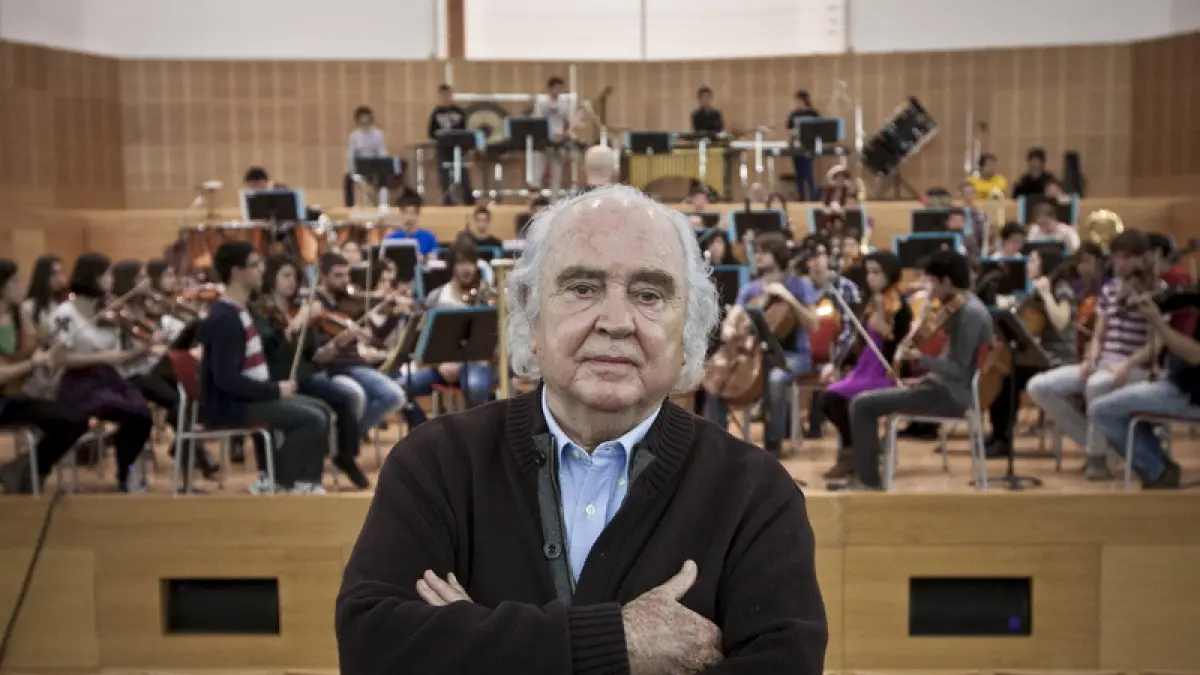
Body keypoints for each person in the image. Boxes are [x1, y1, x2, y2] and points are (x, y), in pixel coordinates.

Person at [336, 184, 827, 675]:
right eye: (582, 289)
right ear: (531, 311)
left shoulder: (757, 494)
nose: (615, 321)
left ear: (689, 327)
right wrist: (617, 643)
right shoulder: (435, 464)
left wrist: (478, 644)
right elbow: (372, 650)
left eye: (649, 295)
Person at [845, 250, 992, 491]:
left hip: (952, 396)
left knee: (862, 404)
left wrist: (920, 359)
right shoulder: (962, 307)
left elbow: (957, 369)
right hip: (942, 387)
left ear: (946, 281)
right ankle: (866, 475)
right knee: (865, 401)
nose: (927, 287)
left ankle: (868, 481)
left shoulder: (969, 314)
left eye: (931, 281)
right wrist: (925, 379)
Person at [197, 242, 331, 494]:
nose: (261, 270)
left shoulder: (242, 310)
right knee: (311, 419)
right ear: (236, 272)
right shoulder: (224, 318)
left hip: (248, 397)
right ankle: (278, 478)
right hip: (230, 404)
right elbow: (226, 379)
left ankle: (304, 481)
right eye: (254, 264)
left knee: (321, 409)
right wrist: (275, 390)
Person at [1027, 230, 1156, 480]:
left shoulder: (1157, 291)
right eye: (1117, 257)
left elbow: (1155, 345)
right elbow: (1098, 335)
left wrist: (1125, 366)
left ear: (1143, 259)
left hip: (1137, 368)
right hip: (1104, 363)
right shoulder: (1109, 290)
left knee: (1096, 385)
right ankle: (1103, 447)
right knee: (1039, 387)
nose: (1121, 264)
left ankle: (1096, 459)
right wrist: (1090, 359)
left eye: (1127, 257)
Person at [255, 254, 370, 489]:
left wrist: (338, 344)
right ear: (272, 278)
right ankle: (295, 472)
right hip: (278, 379)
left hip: (305, 376)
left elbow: (314, 357)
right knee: (325, 409)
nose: (292, 282)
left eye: (295, 277)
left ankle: (345, 455)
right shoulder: (263, 313)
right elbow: (274, 348)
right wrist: (299, 321)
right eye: (286, 276)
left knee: (345, 398)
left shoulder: (299, 310)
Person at [705, 233, 821, 456]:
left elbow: (813, 324)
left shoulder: (799, 285)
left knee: (775, 379)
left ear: (778, 255)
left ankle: (773, 444)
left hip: (793, 355)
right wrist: (729, 326)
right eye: (756, 252)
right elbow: (735, 314)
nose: (757, 257)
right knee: (715, 379)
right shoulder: (751, 288)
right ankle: (718, 446)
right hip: (753, 353)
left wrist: (788, 297)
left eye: (763, 252)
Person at [49, 253, 155, 492]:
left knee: (142, 414)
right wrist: (103, 358)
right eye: (107, 274)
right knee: (130, 412)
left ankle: (126, 469)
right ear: (94, 277)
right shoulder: (65, 314)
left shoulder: (107, 310)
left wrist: (137, 342)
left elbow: (129, 339)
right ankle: (125, 472)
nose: (112, 280)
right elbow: (60, 358)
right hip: (80, 382)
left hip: (109, 378)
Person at [1089, 285, 1200, 489]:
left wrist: (1157, 321)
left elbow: (1195, 354)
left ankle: (1157, 469)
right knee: (1107, 403)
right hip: (1176, 384)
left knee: (1101, 409)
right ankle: (1158, 466)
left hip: (1188, 394)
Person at [0, 258, 90, 494]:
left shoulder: (20, 314)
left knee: (75, 420)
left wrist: (49, 345)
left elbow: (34, 344)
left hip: (15, 396)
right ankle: (24, 473)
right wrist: (32, 363)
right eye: (15, 281)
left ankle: (27, 469)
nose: (22, 285)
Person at [820, 251, 911, 479]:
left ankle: (853, 454)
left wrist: (884, 324)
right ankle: (857, 450)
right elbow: (859, 342)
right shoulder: (871, 302)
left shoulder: (900, 307)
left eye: (876, 272)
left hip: (886, 372)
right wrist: (836, 364)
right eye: (868, 272)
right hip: (865, 369)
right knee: (828, 399)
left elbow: (897, 346)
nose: (871, 278)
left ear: (890, 274)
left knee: (836, 400)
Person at [985, 248, 1076, 457]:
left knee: (1008, 379)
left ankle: (1003, 439)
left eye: (1033, 260)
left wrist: (1046, 294)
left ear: (1046, 264)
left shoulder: (1061, 288)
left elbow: (1061, 321)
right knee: (1002, 374)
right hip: (1040, 356)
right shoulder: (1033, 291)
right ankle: (999, 434)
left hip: (1058, 359)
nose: (1028, 264)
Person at [312, 253, 412, 435]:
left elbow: (373, 326)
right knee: (357, 395)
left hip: (354, 364)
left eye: (347, 275)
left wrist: (363, 335)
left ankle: (348, 437)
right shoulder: (314, 304)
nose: (345, 281)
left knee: (395, 396)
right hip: (330, 367)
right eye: (338, 275)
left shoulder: (348, 301)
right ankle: (346, 440)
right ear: (323, 276)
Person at [404, 242, 497, 412]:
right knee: (402, 387)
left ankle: (477, 427)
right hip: (441, 367)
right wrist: (438, 365)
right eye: (461, 263)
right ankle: (423, 426)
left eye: (470, 263)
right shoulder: (437, 297)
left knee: (475, 386)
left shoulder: (486, 295)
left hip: (477, 365)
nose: (466, 269)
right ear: (452, 266)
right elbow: (423, 338)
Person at [428, 84, 475, 206]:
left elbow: (465, 131)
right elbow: (431, 133)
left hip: (458, 150)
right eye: (443, 95)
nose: (446, 98)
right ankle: (448, 202)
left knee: (463, 176)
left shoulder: (459, 112)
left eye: (448, 95)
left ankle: (469, 202)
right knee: (444, 177)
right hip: (443, 150)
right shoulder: (436, 113)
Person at [531, 76, 574, 195]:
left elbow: (569, 121)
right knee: (538, 173)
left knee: (556, 175)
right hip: (543, 142)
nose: (558, 90)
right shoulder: (541, 102)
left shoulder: (564, 104)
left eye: (560, 88)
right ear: (550, 88)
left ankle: (554, 199)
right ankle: (537, 198)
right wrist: (553, 131)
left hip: (558, 143)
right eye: (556, 88)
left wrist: (568, 131)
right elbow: (538, 120)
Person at [345, 105, 392, 207]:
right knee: (347, 178)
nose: (365, 122)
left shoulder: (379, 135)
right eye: (362, 120)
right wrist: (353, 173)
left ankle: (383, 203)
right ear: (357, 121)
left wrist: (383, 166)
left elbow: (382, 153)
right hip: (360, 166)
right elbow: (351, 156)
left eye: (367, 120)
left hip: (375, 164)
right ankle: (349, 205)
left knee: (384, 174)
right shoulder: (354, 136)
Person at [786, 89, 820, 200]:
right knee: (799, 175)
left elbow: (819, 129)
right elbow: (789, 130)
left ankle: (813, 198)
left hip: (809, 146)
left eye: (799, 101)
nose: (797, 103)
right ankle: (801, 198)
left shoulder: (813, 114)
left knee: (808, 174)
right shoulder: (794, 114)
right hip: (796, 147)